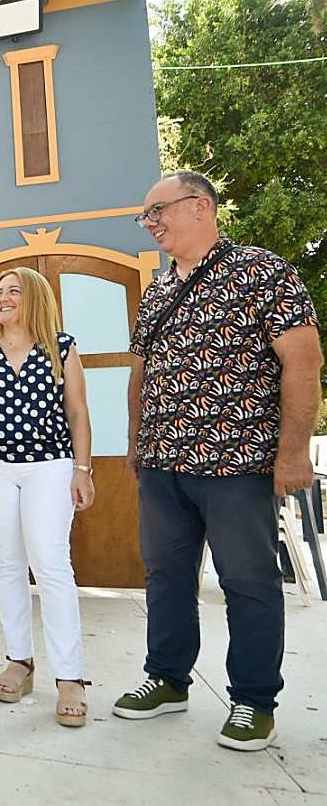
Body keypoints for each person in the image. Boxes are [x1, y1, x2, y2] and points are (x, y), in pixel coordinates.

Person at [113, 172, 321, 751]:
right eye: (145, 216)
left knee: (248, 580)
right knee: (165, 576)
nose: (150, 223)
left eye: (158, 211)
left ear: (200, 206)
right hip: (163, 462)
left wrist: (293, 452)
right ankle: (167, 678)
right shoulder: (157, 290)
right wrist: (135, 442)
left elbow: (303, 362)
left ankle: (254, 700)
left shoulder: (263, 271)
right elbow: (141, 372)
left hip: (238, 464)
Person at [0, 267, 94, 727]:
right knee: (7, 565)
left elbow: (77, 411)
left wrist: (83, 469)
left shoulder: (62, 347)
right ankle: (19, 661)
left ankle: (70, 676)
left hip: (50, 466)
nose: (3, 298)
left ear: (34, 298)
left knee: (50, 563)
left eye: (14, 290)